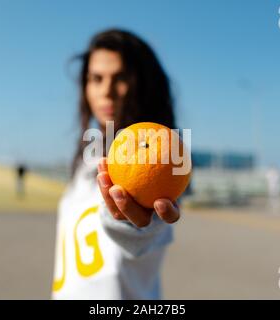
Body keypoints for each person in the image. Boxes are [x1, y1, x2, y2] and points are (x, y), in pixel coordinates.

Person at [52, 29, 184, 299]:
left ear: (144, 84)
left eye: (121, 78)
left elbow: (145, 234)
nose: (107, 91)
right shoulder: (87, 159)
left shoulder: (164, 157)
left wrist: (135, 223)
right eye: (96, 78)